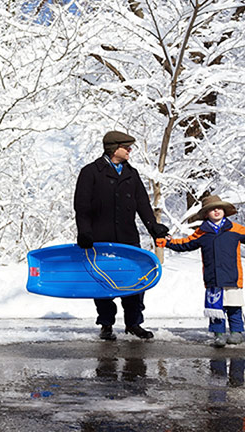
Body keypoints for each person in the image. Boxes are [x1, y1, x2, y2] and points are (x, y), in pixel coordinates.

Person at [74, 130, 169, 341]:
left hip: (128, 239)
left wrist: (153, 227)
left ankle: (134, 323)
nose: (130, 150)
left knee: (134, 281)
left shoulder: (131, 173)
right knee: (103, 282)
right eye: (126, 147)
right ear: (113, 148)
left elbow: (143, 204)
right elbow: (82, 207)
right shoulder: (90, 172)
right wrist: (85, 232)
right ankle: (106, 324)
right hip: (100, 239)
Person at [156, 195, 245, 347]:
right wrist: (168, 242)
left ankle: (236, 332)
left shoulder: (235, 229)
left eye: (219, 208)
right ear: (206, 214)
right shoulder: (201, 233)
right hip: (213, 277)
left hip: (232, 276)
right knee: (215, 308)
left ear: (224, 211)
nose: (216, 211)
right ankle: (219, 334)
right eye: (212, 209)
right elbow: (185, 244)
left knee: (234, 306)